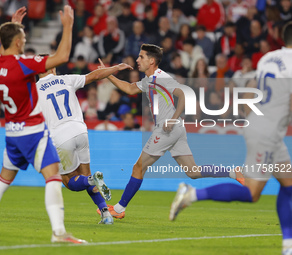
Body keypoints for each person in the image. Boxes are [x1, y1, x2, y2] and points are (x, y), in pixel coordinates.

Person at [169, 22, 292, 255]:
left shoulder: (268, 59)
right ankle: (191, 194)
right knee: (251, 193)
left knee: (289, 184)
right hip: (267, 133)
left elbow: (252, 90)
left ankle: (288, 245)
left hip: (262, 125)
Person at [0, 6, 87, 244]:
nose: (25, 41)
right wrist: (67, 26)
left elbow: (3, 52)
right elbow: (62, 57)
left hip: (12, 134)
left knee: (3, 180)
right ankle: (59, 233)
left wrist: (12, 26)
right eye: (22, 38)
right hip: (33, 133)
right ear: (16, 42)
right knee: (53, 177)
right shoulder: (23, 64)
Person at [96, 44, 244, 219]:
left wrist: (173, 118)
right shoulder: (148, 80)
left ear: (151, 61)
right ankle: (234, 172)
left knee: (138, 167)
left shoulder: (162, 78)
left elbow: (183, 94)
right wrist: (108, 73)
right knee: (193, 172)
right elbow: (128, 88)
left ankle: (119, 209)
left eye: (141, 57)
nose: (137, 60)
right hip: (177, 129)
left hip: (167, 129)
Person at [36, 56, 132, 224]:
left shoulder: (34, 90)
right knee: (87, 174)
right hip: (80, 131)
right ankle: (106, 214)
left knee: (69, 181)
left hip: (60, 137)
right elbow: (94, 76)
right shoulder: (66, 79)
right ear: (52, 69)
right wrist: (115, 67)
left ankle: (91, 181)